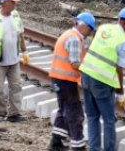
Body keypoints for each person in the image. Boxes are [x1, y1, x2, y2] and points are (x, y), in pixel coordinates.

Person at [79, 7, 125, 151]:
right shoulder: (124, 42)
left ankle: (94, 149)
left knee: (92, 117)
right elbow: (119, 70)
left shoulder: (103, 28)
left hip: (86, 76)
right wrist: (120, 93)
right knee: (109, 119)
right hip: (101, 82)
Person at [47, 12, 96, 151]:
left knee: (63, 110)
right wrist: (90, 72)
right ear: (83, 26)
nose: (90, 33)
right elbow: (75, 63)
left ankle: (55, 142)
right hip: (65, 81)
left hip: (58, 78)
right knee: (75, 112)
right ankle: (78, 146)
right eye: (90, 29)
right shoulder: (74, 39)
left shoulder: (68, 34)